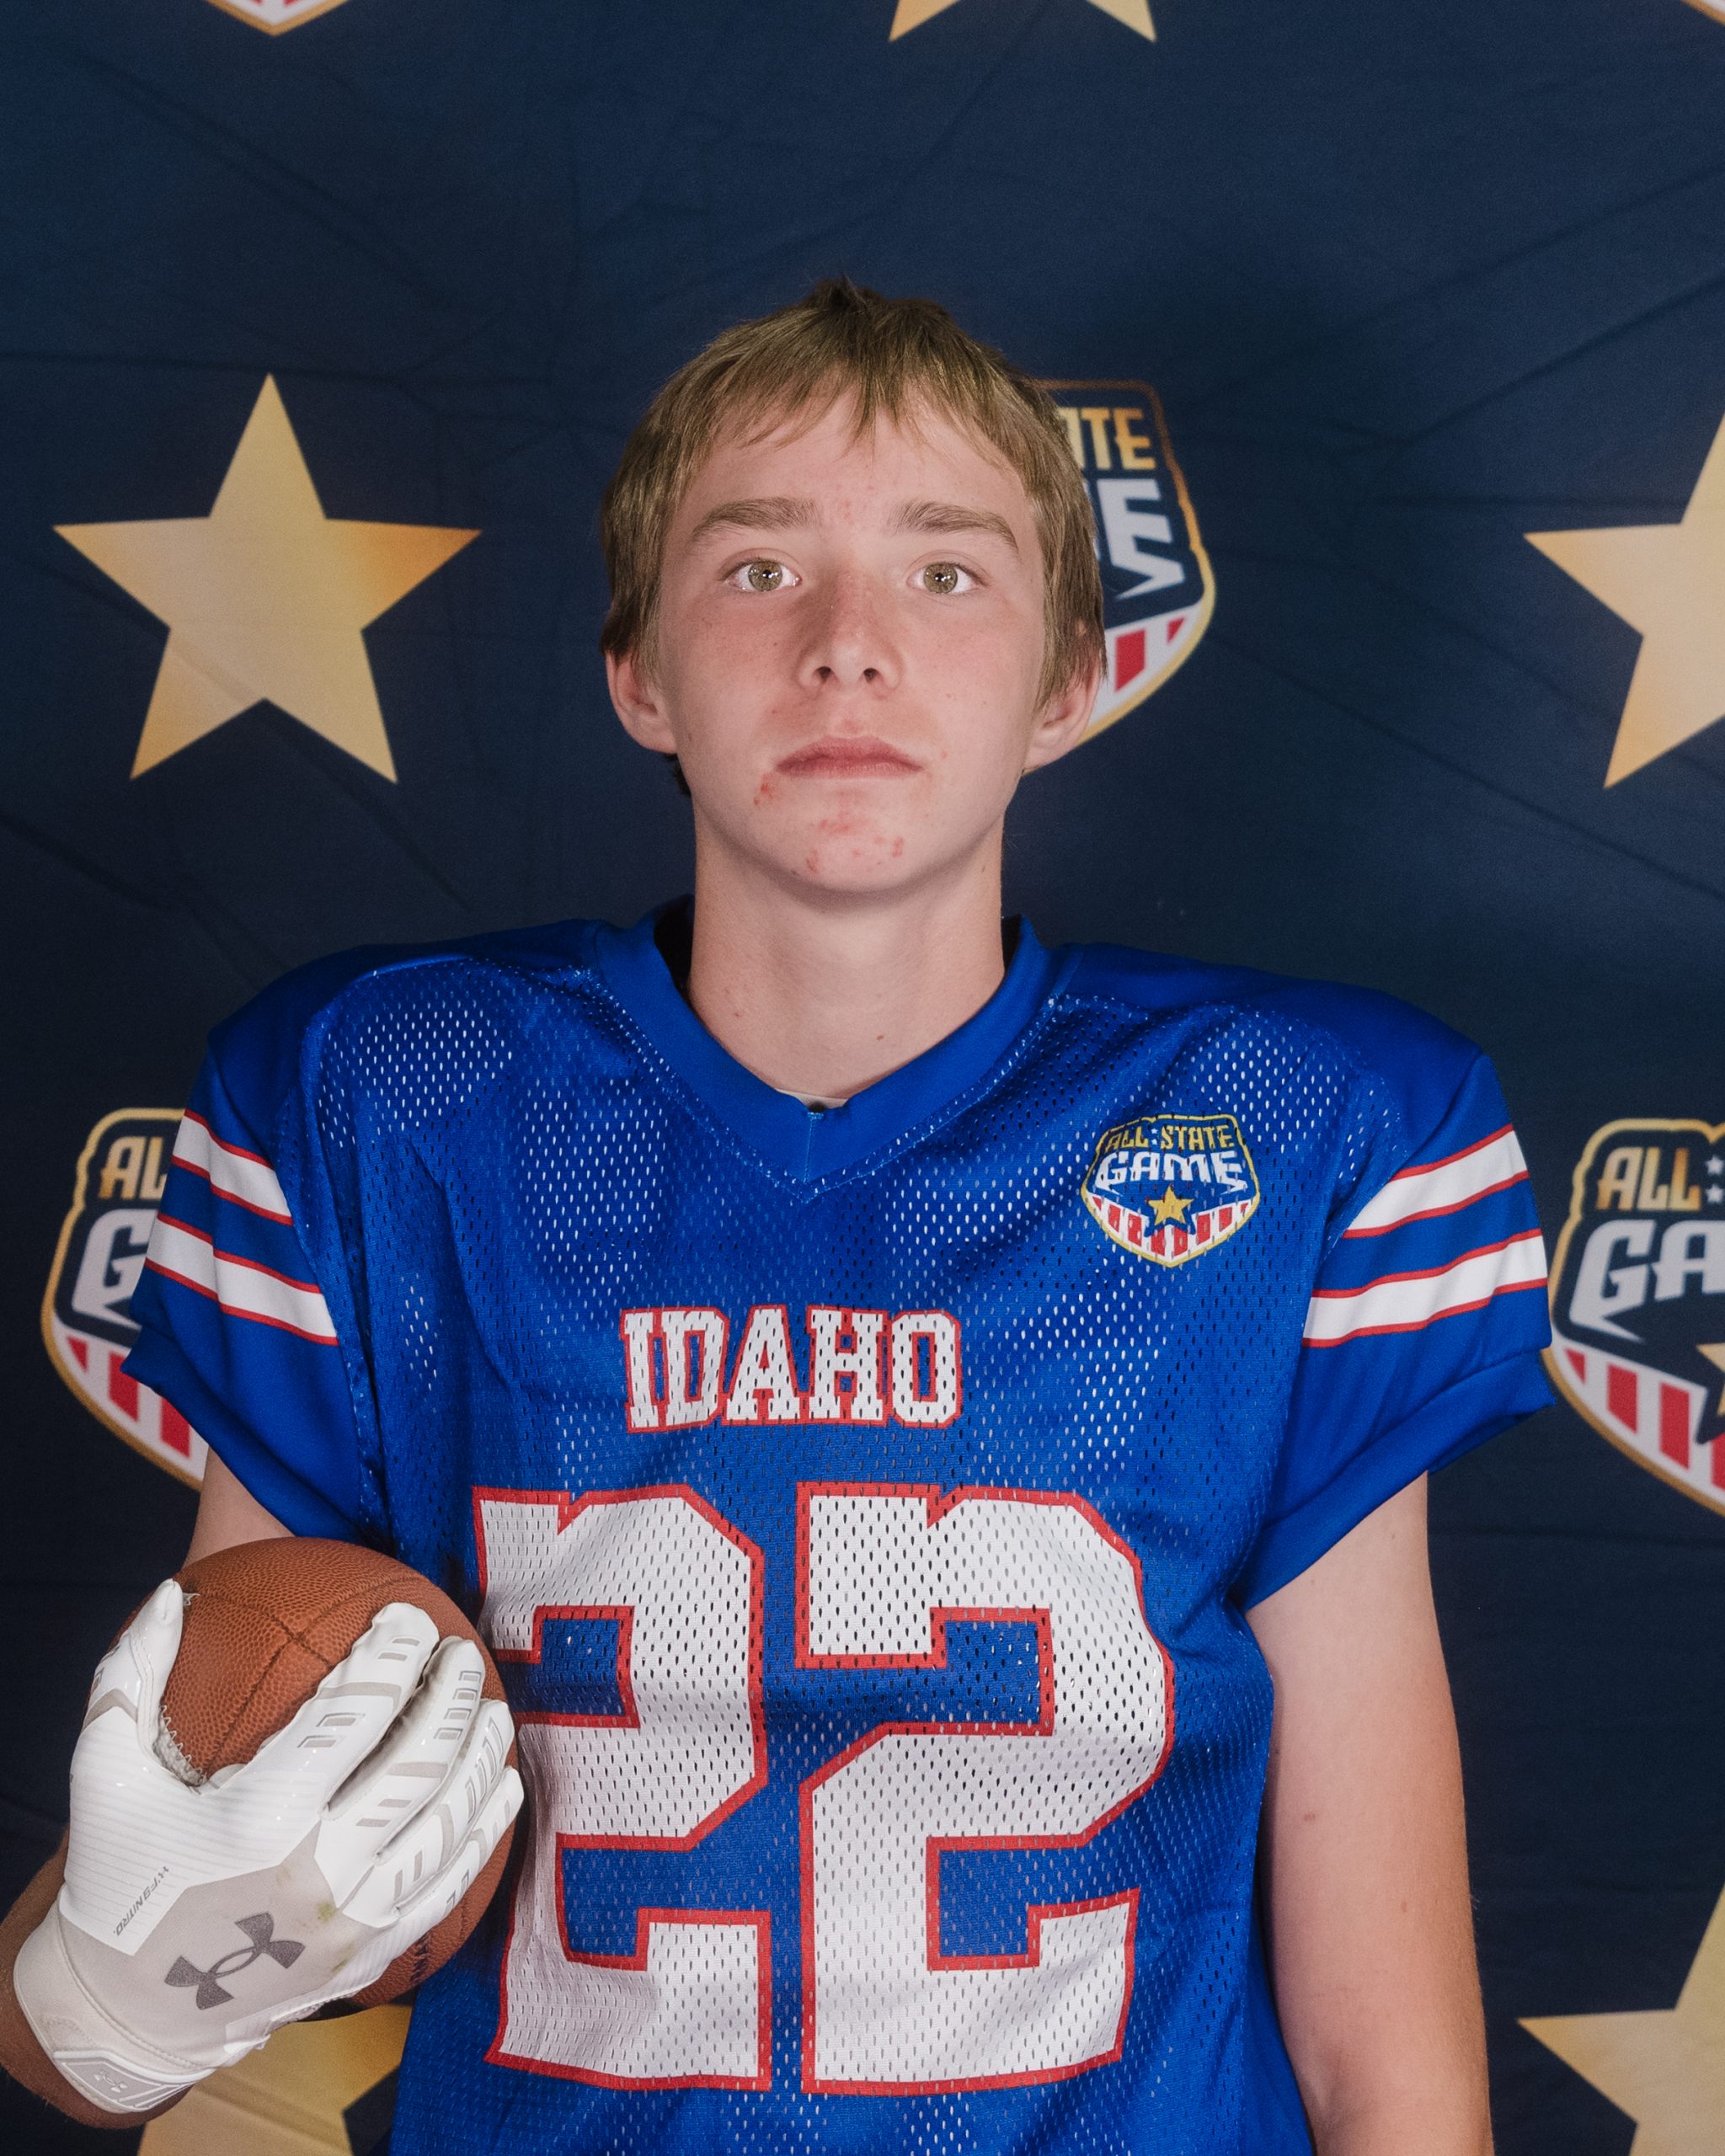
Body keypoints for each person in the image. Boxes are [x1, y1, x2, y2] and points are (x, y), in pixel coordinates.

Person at [0, 280, 1551, 2154]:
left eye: (945, 572)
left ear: (1070, 678)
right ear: (637, 672)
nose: (847, 650)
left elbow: (1388, 2055)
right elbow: (100, 1991)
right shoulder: (386, 1100)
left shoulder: (1305, 1127)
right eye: (757, 568)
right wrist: (122, 1979)